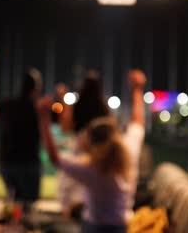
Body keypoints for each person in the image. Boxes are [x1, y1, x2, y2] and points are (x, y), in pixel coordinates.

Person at [38, 69, 146, 233]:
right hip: (122, 226)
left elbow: (55, 158)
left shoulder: (93, 170)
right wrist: (137, 90)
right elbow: (138, 122)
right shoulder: (128, 151)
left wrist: (44, 119)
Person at [57, 71, 111, 218]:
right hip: (98, 156)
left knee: (73, 199)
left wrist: (63, 100)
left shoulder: (78, 106)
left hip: (79, 153)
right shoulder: (104, 108)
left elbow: (65, 127)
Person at [0, 68, 42, 213]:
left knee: (14, 202)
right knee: (27, 208)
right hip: (28, 163)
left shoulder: (7, 105)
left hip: (6, 161)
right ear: (36, 88)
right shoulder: (37, 108)